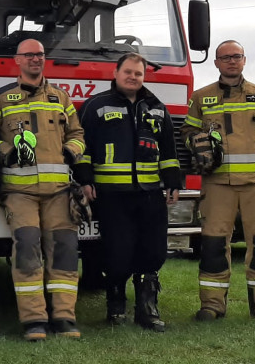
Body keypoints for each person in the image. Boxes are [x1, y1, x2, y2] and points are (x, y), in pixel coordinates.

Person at [181, 40, 255, 324]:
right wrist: (197, 142)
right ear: (216, 63)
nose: (231, 61)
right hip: (217, 185)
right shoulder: (201, 97)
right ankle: (212, 306)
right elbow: (187, 132)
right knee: (214, 246)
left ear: (244, 60)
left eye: (236, 56)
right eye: (225, 57)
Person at [0, 39, 88, 341]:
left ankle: (64, 317)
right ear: (16, 61)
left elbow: (77, 133)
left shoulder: (61, 97)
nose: (35, 59)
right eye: (29, 55)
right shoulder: (0, 98)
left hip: (59, 191)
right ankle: (34, 320)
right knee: (28, 249)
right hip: (20, 192)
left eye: (40, 55)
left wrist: (70, 152)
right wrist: (8, 152)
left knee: (65, 252)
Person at [78, 53, 182, 332]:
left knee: (153, 251)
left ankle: (147, 309)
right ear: (116, 73)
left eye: (138, 73)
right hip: (112, 195)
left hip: (150, 194)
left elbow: (169, 151)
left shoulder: (157, 107)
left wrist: (173, 181)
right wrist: (85, 180)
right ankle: (116, 307)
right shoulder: (96, 106)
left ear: (144, 76)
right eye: (128, 72)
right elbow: (82, 148)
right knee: (117, 252)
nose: (133, 77)